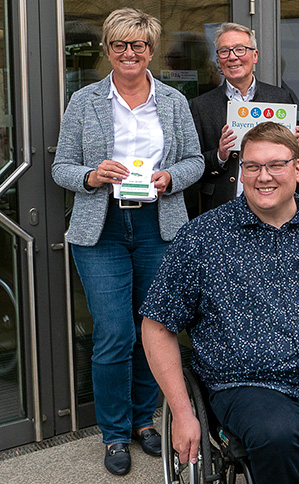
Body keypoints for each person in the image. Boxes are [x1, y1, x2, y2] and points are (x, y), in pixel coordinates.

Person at [140, 122, 299, 484]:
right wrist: (184, 414)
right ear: (240, 173)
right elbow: (156, 324)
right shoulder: (202, 238)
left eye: (276, 165)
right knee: (277, 434)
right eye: (252, 166)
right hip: (247, 379)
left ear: (297, 170)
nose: (264, 176)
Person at [51, 8, 204, 476]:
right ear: (108, 50)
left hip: (159, 227)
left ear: (151, 51)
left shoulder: (174, 101)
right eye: (120, 45)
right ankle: (114, 432)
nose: (129, 53)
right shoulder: (85, 101)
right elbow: (60, 168)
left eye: (138, 45)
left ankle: (144, 421)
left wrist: (169, 177)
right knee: (114, 333)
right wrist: (92, 175)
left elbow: (195, 160)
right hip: (103, 231)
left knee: (153, 331)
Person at [189, 22, 299, 216]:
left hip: (273, 205)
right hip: (222, 208)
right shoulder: (202, 106)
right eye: (224, 51)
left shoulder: (280, 98)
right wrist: (219, 155)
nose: (232, 57)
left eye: (240, 49)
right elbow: (194, 164)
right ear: (218, 60)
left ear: (255, 55)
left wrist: (294, 145)